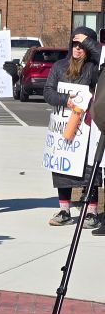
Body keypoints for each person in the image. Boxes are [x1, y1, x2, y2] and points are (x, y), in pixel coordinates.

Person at [43, 26, 101, 228]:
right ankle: (64, 209)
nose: (78, 49)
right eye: (75, 44)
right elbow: (48, 92)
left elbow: (102, 56)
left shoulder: (95, 68)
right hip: (63, 126)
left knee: (89, 168)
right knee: (62, 168)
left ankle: (91, 212)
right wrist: (64, 100)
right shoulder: (59, 66)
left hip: (87, 127)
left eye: (82, 45)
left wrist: (89, 43)